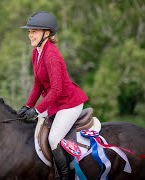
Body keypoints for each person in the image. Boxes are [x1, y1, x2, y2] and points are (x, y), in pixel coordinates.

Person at [18, 11, 88, 180]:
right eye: (29, 31)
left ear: (47, 33)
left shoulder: (51, 56)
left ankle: (65, 176)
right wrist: (27, 106)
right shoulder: (36, 53)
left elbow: (56, 90)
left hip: (69, 103)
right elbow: (37, 84)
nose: (30, 35)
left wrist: (36, 110)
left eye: (34, 31)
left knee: (54, 138)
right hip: (55, 102)